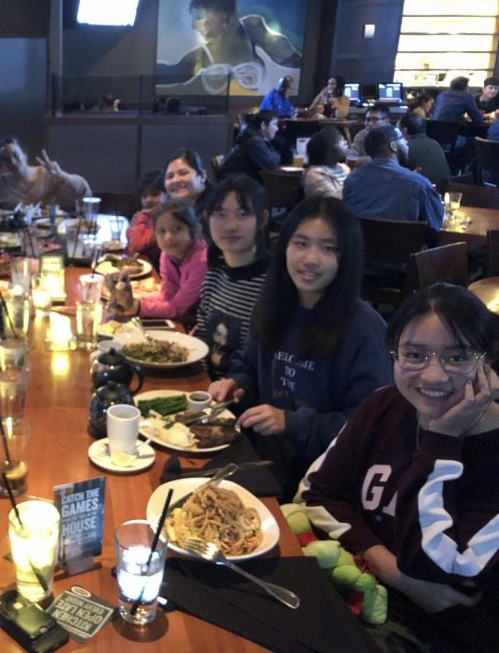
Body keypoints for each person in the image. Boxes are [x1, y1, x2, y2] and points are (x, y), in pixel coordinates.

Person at [297, 283, 499, 650]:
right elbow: (317, 493)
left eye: (457, 357)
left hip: (441, 633)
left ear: (487, 363)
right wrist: (391, 568)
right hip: (363, 587)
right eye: (414, 355)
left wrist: (442, 439)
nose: (433, 376)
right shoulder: (384, 406)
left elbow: (440, 567)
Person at [208, 196, 393, 493]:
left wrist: (291, 422)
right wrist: (235, 383)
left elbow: (368, 427)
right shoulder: (274, 304)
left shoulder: (364, 330)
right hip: (267, 463)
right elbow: (250, 365)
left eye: (328, 248)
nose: (310, 259)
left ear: (346, 257)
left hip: (325, 480)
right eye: (301, 243)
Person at [155, 0, 301, 95]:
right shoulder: (201, 54)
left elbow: (293, 59)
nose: (194, 25)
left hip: (255, 114)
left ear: (224, 14)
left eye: (199, 17)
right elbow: (172, 73)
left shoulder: (252, 28)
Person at [193, 176, 270, 379]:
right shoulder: (214, 275)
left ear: (262, 220)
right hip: (206, 391)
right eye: (220, 215)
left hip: (243, 400)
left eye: (243, 214)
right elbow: (201, 341)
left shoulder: (272, 284)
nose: (230, 226)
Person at [343, 125, 444, 236]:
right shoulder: (420, 184)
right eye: (402, 138)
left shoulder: (351, 180)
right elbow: (435, 226)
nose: (406, 142)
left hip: (361, 251)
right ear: (393, 146)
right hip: (407, 252)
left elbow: (347, 222)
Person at [118, 200, 207, 324]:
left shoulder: (201, 262)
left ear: (196, 230)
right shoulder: (168, 253)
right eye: (162, 231)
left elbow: (176, 308)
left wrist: (137, 307)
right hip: (182, 317)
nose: (168, 237)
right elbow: (167, 294)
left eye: (177, 229)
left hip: (197, 322)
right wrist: (132, 300)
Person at [0, 136, 91, 211]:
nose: (13, 162)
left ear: (24, 155)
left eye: (16, 155)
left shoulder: (46, 174)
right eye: (6, 159)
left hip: (46, 238)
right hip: (11, 239)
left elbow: (83, 192)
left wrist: (61, 175)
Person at [218, 110, 282, 183]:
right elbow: (272, 165)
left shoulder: (253, 136)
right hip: (235, 184)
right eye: (274, 124)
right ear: (263, 125)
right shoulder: (255, 141)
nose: (277, 128)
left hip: (239, 180)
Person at [398, 112, 451, 194]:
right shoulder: (435, 144)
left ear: (404, 131)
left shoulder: (403, 147)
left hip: (417, 196)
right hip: (444, 194)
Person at [126, 170, 166, 266]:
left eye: (155, 194)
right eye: (144, 196)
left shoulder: (166, 222)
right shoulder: (150, 217)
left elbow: (135, 245)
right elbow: (129, 237)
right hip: (146, 265)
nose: (148, 200)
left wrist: (142, 216)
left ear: (168, 195)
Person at [301, 126, 350, 198]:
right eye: (340, 140)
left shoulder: (344, 168)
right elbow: (333, 199)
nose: (346, 142)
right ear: (328, 151)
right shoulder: (314, 174)